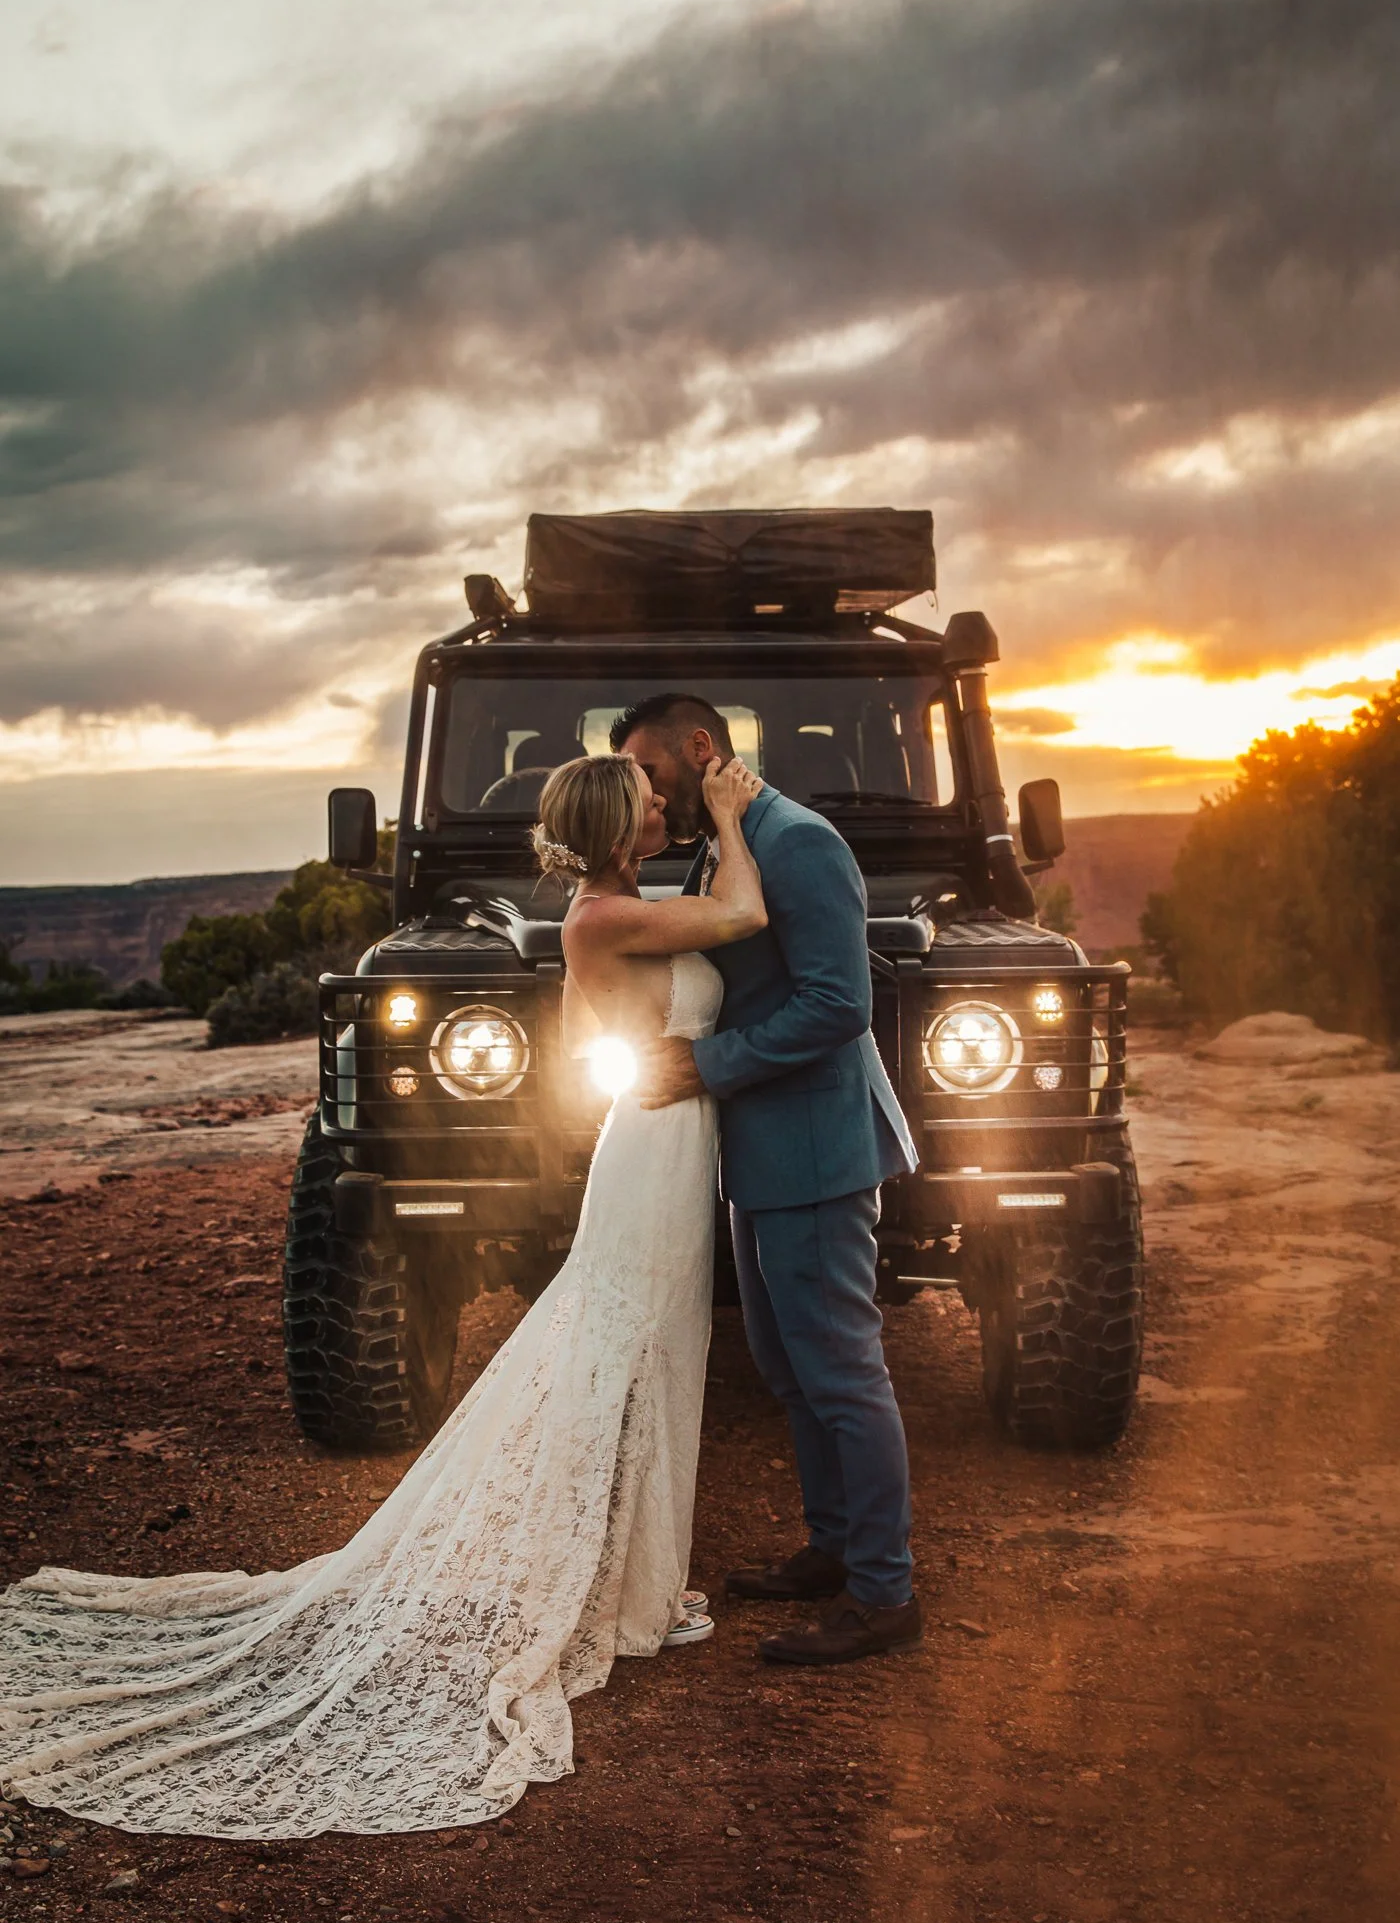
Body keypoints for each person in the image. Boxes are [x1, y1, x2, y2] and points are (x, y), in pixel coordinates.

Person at [0, 752, 764, 1839]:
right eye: (648, 795)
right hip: (653, 1151)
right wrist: (734, 817)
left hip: (672, 1140)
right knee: (624, 1345)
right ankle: (620, 1592)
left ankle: (640, 1579)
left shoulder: (628, 903)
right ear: (611, 824)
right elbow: (740, 914)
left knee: (656, 1348)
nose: (665, 800)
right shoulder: (600, 917)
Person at [614, 693, 922, 1667]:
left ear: (699, 749)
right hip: (758, 1153)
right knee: (789, 1371)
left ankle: (883, 1595)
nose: (645, 794)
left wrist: (703, 1068)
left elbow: (839, 1004)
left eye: (651, 772)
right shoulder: (728, 838)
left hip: (818, 1153)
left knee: (842, 1372)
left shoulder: (797, 841)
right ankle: (832, 1550)